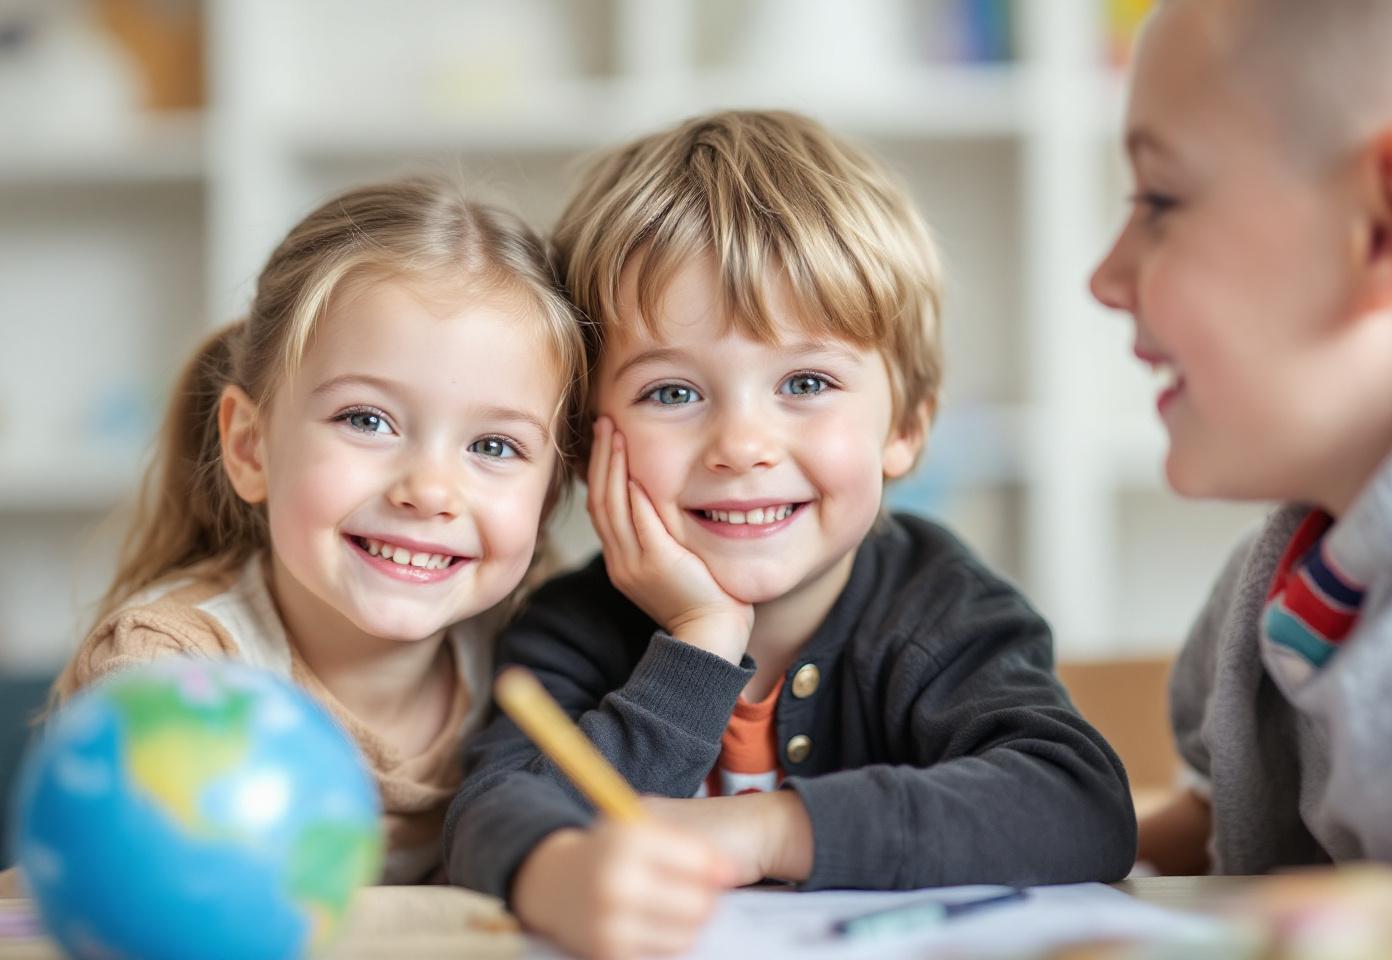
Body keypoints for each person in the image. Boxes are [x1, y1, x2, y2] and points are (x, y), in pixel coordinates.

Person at [446, 109, 1137, 959]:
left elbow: (1078, 804)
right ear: (589, 440)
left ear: (906, 426)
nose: (742, 445)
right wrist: (699, 645)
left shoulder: (936, 603)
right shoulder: (572, 625)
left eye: (805, 381)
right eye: (672, 392)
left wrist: (766, 831)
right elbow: (490, 817)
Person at [50, 177, 586, 884]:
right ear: (250, 447)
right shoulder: (169, 673)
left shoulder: (541, 647)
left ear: (548, 495)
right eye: (366, 420)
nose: (428, 491)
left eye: (494, 447)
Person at [1091, 0, 1392, 875]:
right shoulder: (1274, 591)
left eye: (1161, 201)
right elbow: (1211, 836)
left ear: (1385, 227)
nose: (1104, 277)